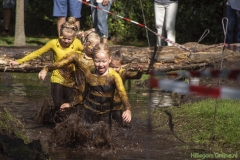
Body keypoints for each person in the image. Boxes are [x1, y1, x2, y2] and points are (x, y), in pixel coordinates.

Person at [9, 17, 83, 123]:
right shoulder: (53, 43)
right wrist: (19, 61)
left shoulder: (77, 43)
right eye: (63, 38)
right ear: (60, 35)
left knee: (69, 105)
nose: (66, 41)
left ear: (74, 37)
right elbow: (37, 53)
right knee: (58, 104)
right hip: (57, 77)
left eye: (69, 39)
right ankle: (56, 126)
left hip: (71, 79)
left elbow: (88, 53)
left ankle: (60, 123)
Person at [38, 43, 132, 124]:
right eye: (97, 61)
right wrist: (71, 104)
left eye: (104, 61)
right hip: (90, 111)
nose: (100, 65)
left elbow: (122, 93)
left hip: (106, 112)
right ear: (93, 59)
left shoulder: (114, 76)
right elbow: (83, 94)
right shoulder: (89, 74)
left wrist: (128, 109)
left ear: (109, 60)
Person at [110, 50, 143, 126]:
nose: (114, 69)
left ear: (121, 65)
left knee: (119, 124)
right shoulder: (107, 72)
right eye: (112, 67)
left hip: (118, 104)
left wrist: (140, 72)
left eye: (116, 67)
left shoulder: (124, 73)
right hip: (107, 103)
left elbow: (136, 76)